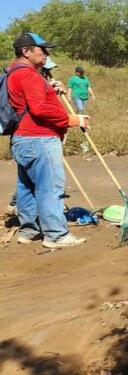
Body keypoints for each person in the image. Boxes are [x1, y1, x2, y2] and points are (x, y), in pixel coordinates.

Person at [7, 32, 90, 248]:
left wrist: (50, 91)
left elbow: (31, 101)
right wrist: (71, 119)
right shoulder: (28, 74)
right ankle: (56, 235)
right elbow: (39, 108)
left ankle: (29, 231)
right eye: (41, 49)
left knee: (26, 187)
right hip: (39, 138)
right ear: (26, 51)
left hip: (22, 138)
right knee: (49, 187)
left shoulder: (14, 73)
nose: (45, 54)